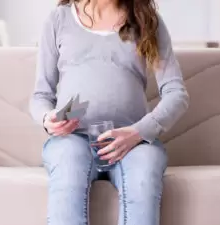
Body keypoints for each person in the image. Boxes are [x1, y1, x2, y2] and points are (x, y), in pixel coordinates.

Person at [29, 0, 189, 225]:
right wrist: (48, 119)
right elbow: (40, 97)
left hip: (134, 144)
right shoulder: (58, 20)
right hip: (72, 139)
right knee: (68, 165)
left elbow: (176, 94)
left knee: (143, 175)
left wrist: (138, 132)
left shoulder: (146, 22)